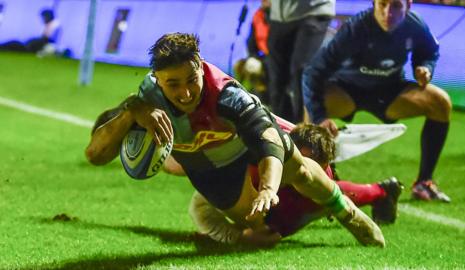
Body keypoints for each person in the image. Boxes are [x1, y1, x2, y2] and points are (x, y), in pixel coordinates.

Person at [85, 32, 385, 247]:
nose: (186, 93)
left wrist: (268, 188)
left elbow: (269, 141)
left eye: (192, 80)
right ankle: (354, 198)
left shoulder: (227, 95)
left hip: (246, 142)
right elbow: (95, 155)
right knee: (257, 228)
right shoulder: (146, 101)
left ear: (201, 66)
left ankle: (349, 213)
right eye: (173, 84)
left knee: (301, 167)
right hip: (210, 170)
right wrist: (131, 112)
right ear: (157, 79)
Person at [302, 0, 452, 202]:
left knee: (440, 102)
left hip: (389, 91)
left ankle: (424, 183)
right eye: (382, 4)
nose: (388, 13)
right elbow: (313, 73)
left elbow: (429, 52)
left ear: (408, 5)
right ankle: (309, 179)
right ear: (374, 4)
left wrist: (425, 67)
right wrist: (320, 117)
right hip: (348, 90)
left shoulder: (415, 25)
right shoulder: (355, 29)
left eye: (396, 6)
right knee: (309, 111)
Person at [188, 123, 403, 246]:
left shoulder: (308, 195)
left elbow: (268, 235)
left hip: (308, 191)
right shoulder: (260, 157)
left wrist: (235, 237)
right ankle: (383, 190)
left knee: (325, 198)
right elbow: (201, 205)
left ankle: (382, 191)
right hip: (261, 159)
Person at [267, 0, 335, 123]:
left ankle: (306, 128)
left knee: (301, 70)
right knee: (277, 77)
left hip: (314, 10)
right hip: (279, 15)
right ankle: (282, 130)